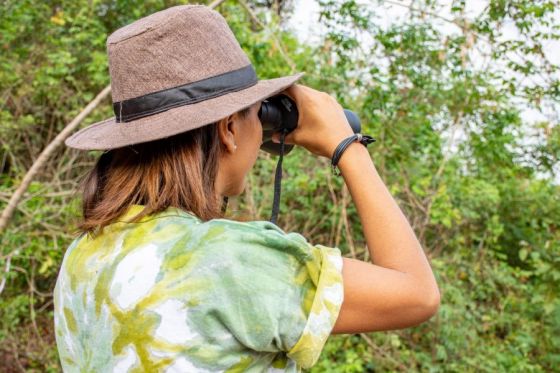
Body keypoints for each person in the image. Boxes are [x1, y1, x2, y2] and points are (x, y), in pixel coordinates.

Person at [54, 4, 440, 372]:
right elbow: (418, 295)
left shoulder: (84, 255)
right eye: (257, 113)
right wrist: (347, 148)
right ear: (228, 130)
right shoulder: (226, 261)